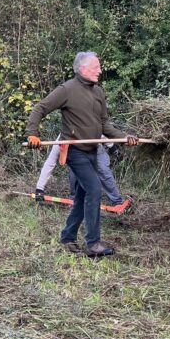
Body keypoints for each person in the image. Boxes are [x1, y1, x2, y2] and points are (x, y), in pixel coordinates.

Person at [26, 52, 140, 257]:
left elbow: (104, 123)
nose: (100, 70)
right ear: (83, 68)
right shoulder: (67, 89)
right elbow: (40, 108)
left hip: (92, 151)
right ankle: (93, 243)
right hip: (74, 151)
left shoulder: (98, 92)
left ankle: (68, 236)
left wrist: (124, 137)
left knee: (82, 195)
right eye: (96, 67)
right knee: (95, 190)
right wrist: (33, 134)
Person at [35, 138, 131, 213]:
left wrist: (111, 145)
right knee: (74, 176)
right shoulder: (60, 142)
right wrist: (40, 188)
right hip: (77, 157)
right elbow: (50, 163)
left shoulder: (87, 129)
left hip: (96, 151)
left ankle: (117, 201)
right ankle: (74, 202)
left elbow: (101, 131)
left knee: (104, 172)